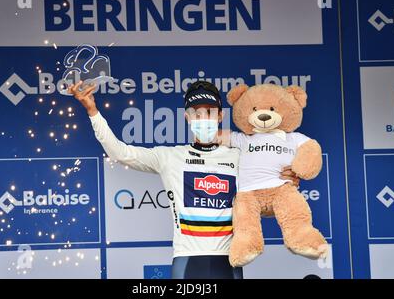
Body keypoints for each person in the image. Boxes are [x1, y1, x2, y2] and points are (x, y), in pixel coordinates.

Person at [69, 80, 299, 279]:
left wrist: (285, 183)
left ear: (220, 116)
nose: (203, 118)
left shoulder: (240, 157)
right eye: (197, 113)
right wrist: (92, 112)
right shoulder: (170, 157)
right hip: (187, 260)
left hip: (228, 261)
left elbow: (261, 204)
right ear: (187, 117)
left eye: (209, 112)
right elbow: (120, 152)